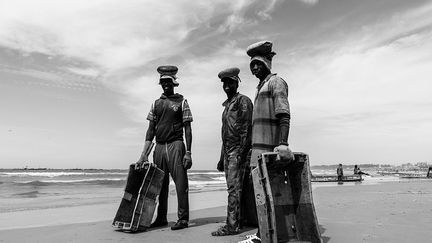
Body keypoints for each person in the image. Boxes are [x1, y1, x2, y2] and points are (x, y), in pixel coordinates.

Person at [238, 41, 294, 243]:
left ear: (267, 64)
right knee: (262, 195)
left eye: (258, 64)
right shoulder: (261, 86)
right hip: (258, 153)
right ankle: (265, 234)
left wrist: (283, 144)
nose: (254, 68)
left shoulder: (276, 83)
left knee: (270, 195)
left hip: (270, 152)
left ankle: (264, 236)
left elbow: (284, 115)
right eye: (252, 64)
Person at [136, 65, 193, 231]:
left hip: (176, 146)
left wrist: (188, 152)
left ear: (174, 83)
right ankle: (161, 218)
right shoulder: (155, 104)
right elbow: (150, 129)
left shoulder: (182, 102)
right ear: (160, 84)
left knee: (181, 184)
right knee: (160, 185)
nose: (166, 84)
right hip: (159, 148)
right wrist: (144, 154)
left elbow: (188, 128)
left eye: (169, 81)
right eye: (163, 82)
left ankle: (183, 219)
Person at [212, 67, 253, 236]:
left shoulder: (243, 101)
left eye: (230, 82)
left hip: (238, 151)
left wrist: (241, 153)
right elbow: (225, 134)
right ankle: (238, 221)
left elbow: (246, 130)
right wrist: (222, 158)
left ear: (237, 83)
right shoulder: (227, 106)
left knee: (233, 189)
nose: (227, 85)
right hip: (229, 151)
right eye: (224, 82)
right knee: (234, 188)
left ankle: (232, 226)